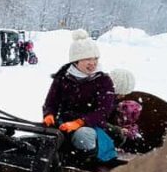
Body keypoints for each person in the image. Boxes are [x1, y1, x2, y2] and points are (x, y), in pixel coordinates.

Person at [42, 29, 117, 162]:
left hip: (93, 125)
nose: (93, 63)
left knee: (83, 135)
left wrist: (80, 122)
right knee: (42, 134)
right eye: (88, 59)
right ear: (76, 61)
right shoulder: (63, 77)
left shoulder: (104, 81)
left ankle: (85, 165)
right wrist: (49, 114)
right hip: (63, 122)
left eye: (95, 58)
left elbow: (103, 111)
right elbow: (51, 101)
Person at [105, 68, 142, 146]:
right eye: (122, 92)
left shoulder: (112, 100)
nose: (123, 96)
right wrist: (118, 131)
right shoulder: (103, 99)